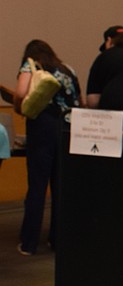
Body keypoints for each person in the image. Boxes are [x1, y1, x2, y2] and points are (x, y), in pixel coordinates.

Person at [13, 39, 81, 256]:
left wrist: (19, 107)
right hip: (68, 128)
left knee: (37, 186)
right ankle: (57, 240)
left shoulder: (32, 65)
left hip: (42, 128)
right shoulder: (68, 69)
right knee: (61, 186)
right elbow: (79, 101)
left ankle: (29, 243)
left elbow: (21, 93)